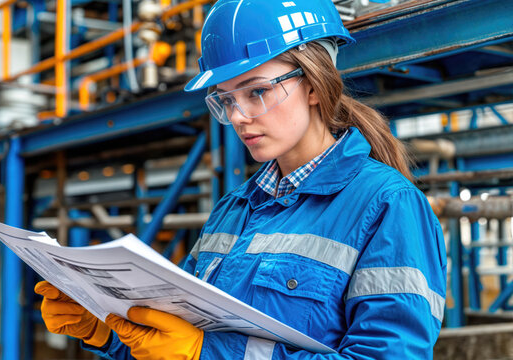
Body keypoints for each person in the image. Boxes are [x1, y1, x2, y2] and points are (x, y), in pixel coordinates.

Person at [35, 0, 447, 358]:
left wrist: (207, 354)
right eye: (226, 99)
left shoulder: (388, 205)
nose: (237, 116)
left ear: (315, 87)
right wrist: (107, 332)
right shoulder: (234, 209)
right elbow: (171, 343)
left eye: (256, 92)